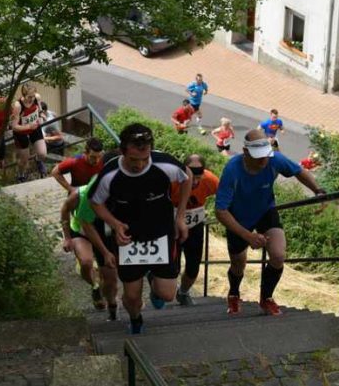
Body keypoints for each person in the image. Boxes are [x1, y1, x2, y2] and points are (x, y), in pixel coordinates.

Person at [89, 123, 191, 334]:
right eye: (134, 160)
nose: (140, 165)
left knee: (167, 295)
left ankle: (154, 280)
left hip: (161, 233)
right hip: (129, 237)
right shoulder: (110, 174)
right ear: (123, 151)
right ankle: (136, 320)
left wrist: (180, 216)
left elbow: (186, 176)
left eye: (145, 159)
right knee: (132, 296)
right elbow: (95, 203)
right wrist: (115, 224)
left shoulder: (164, 164)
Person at [215, 129, 325, 316]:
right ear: (245, 151)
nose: (263, 161)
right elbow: (220, 211)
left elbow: (298, 171)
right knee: (238, 264)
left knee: (278, 255)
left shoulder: (275, 159)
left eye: (266, 156)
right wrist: (248, 236)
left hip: (265, 210)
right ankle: (234, 293)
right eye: (258, 157)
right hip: (238, 218)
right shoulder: (232, 170)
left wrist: (318, 191)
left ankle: (266, 298)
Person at [60, 177, 119, 319]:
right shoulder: (78, 194)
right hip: (81, 232)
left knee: (110, 276)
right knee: (86, 262)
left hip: (104, 234)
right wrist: (67, 237)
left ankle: (110, 299)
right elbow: (64, 211)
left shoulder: (117, 193)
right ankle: (94, 286)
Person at [170, 154, 219, 306]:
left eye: (198, 177)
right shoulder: (171, 180)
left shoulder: (210, 180)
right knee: (173, 267)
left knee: (193, 267)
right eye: (191, 176)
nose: (194, 182)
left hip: (195, 225)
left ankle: (183, 292)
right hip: (172, 225)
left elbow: (225, 195)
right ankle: (158, 285)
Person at [10, 83, 47, 182]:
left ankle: (38, 160)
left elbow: (39, 110)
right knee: (24, 160)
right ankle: (21, 174)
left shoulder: (37, 98)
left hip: (34, 128)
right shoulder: (18, 106)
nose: (31, 99)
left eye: (33, 96)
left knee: (43, 154)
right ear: (23, 95)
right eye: (29, 97)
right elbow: (14, 127)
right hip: (21, 132)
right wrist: (28, 126)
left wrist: (42, 115)